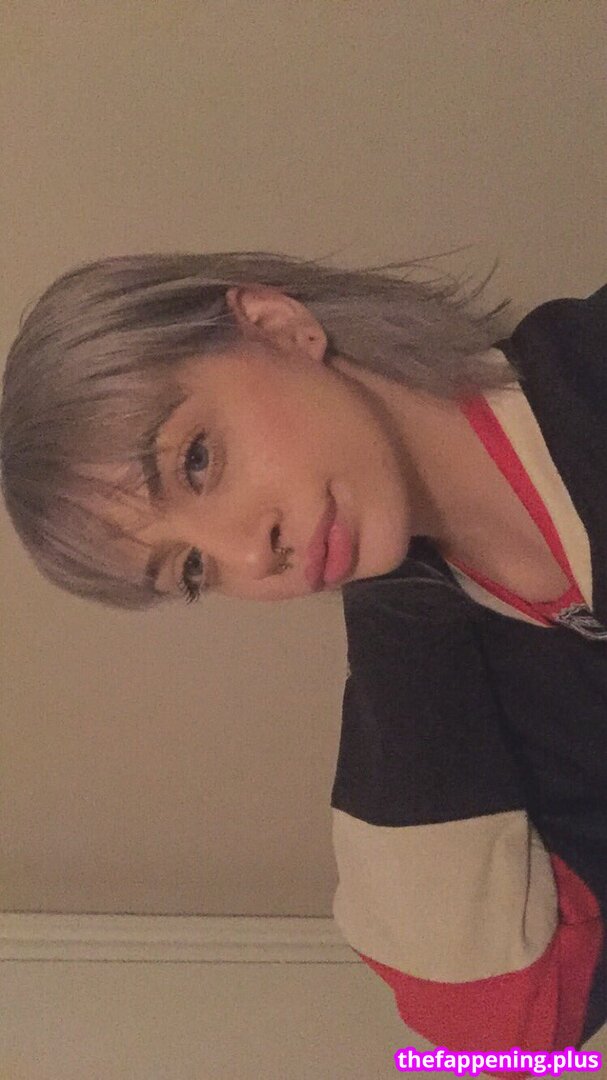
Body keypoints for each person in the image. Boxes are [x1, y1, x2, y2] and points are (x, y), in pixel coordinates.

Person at [1, 251, 606, 1078]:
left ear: (277, 326)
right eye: (191, 570)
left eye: (197, 461)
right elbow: (500, 1028)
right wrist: (393, 597)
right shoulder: (474, 658)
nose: (252, 556)